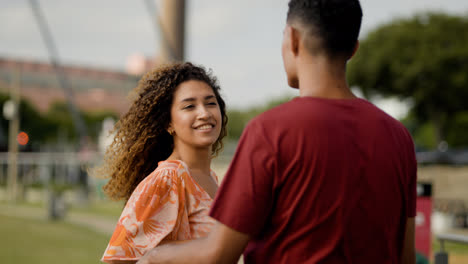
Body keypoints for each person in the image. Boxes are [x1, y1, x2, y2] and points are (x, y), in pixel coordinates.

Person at [137, 0, 417, 263]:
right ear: (354, 48)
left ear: (293, 39)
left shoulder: (270, 131)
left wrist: (152, 256)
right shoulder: (399, 137)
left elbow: (219, 253)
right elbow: (405, 255)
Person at [93, 62, 228, 264]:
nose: (204, 113)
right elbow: (119, 261)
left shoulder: (214, 180)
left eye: (210, 103)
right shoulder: (168, 180)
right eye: (189, 106)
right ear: (169, 123)